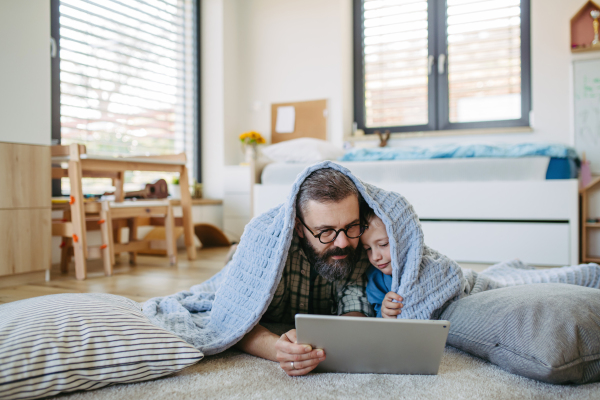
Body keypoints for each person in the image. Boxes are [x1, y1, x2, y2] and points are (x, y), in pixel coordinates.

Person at [234, 168, 374, 376]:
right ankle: (233, 252)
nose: (343, 243)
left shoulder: (361, 244)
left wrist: (347, 334)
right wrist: (278, 349)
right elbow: (236, 318)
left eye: (351, 226)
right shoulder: (268, 250)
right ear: (299, 228)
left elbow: (355, 302)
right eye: (326, 231)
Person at [359, 205, 404, 319]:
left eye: (383, 244)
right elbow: (379, 325)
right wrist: (384, 312)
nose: (375, 257)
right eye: (368, 249)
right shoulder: (375, 278)